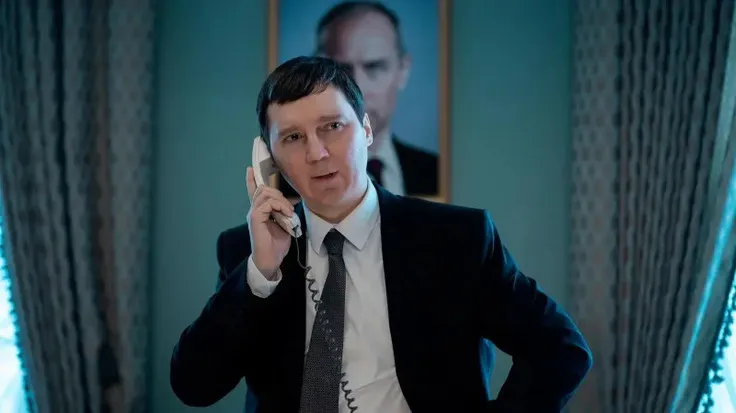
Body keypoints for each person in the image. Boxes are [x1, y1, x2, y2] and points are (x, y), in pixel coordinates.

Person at [170, 56, 592, 413]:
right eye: (293, 138)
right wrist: (260, 274)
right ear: (270, 158)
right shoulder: (246, 251)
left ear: (367, 131)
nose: (316, 153)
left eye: (332, 126)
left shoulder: (456, 239)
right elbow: (194, 386)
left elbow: (561, 349)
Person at [279, 1, 438, 198]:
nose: (358, 87)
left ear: (403, 70)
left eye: (374, 67)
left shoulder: (434, 171)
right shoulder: (281, 184)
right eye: (340, 70)